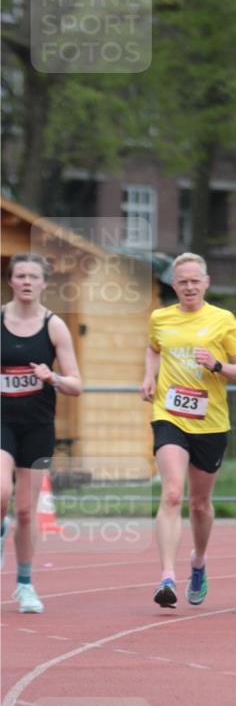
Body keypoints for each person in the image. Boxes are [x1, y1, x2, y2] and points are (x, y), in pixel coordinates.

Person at [140, 252, 236, 608]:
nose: (189, 287)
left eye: (195, 281)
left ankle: (198, 562)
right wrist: (149, 375)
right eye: (182, 281)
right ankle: (167, 577)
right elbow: (153, 348)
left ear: (206, 283)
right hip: (169, 415)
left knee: (200, 504)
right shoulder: (160, 317)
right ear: (174, 284)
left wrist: (217, 365)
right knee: (172, 493)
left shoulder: (223, 320)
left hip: (210, 422)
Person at [1, 253, 82, 613]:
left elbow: (76, 385)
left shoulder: (54, 326)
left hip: (37, 426)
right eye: (21, 275)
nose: (27, 281)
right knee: (1, 490)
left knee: (26, 512)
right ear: (11, 281)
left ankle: (24, 585)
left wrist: (53, 378)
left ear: (44, 283)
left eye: (34, 276)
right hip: (1, 422)